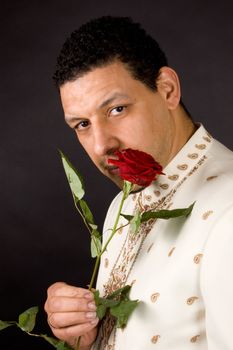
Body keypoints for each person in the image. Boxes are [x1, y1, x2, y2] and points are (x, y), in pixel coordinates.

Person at [44, 16, 233, 350]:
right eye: (82, 124)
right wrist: (88, 339)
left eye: (117, 109)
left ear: (167, 90)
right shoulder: (124, 204)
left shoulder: (228, 212)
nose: (101, 145)